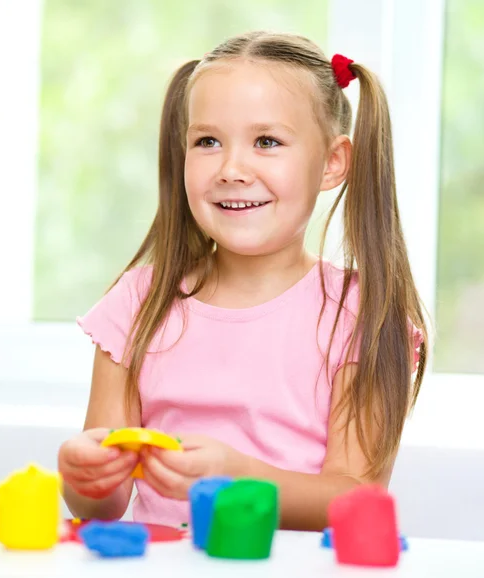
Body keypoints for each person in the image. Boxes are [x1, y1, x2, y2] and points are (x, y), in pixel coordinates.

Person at [57, 30, 428, 531]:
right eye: (207, 141)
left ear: (333, 162)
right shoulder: (137, 305)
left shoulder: (362, 316)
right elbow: (101, 506)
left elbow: (355, 499)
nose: (232, 168)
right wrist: (83, 473)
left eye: (267, 142)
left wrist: (237, 475)